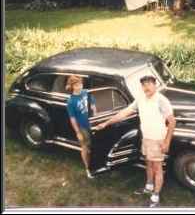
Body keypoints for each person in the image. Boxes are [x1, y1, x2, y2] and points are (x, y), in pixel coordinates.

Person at [94, 75, 176, 207]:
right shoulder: (140, 100)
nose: (146, 87)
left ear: (155, 85)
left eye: (149, 84)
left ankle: (155, 196)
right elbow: (124, 113)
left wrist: (167, 142)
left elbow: (172, 122)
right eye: (144, 84)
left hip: (157, 139)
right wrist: (106, 123)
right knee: (148, 164)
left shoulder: (162, 100)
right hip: (146, 138)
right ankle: (149, 187)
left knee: (157, 168)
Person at [66, 75, 96, 179]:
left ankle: (96, 164)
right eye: (77, 85)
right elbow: (72, 118)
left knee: (94, 146)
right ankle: (88, 168)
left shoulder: (86, 92)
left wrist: (95, 119)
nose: (80, 86)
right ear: (72, 86)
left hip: (92, 124)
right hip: (82, 126)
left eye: (81, 84)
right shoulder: (71, 101)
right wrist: (77, 132)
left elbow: (93, 106)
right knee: (85, 147)